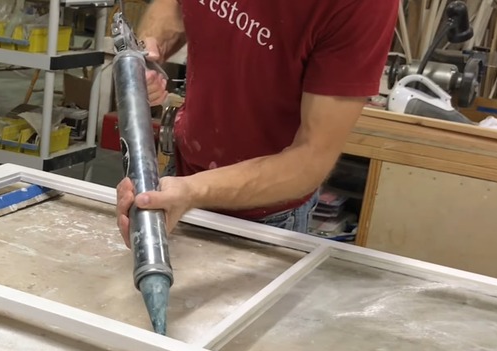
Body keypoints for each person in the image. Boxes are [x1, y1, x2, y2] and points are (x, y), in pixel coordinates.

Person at [116, 0, 399, 247]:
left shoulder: (363, 5)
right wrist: (148, 51)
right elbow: (174, 5)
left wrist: (191, 191)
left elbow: (311, 158)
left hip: (265, 216)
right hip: (179, 174)